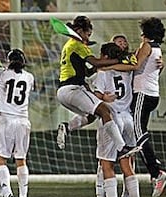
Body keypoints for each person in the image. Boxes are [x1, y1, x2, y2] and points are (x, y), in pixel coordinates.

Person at [55, 15, 140, 161]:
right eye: (87, 34)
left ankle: (68, 127)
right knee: (104, 110)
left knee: (94, 114)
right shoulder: (77, 45)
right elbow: (95, 62)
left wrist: (100, 67)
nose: (88, 38)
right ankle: (121, 148)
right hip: (73, 88)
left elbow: (89, 70)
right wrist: (119, 59)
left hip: (65, 91)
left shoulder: (70, 45)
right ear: (81, 31)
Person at [102, 17, 166, 197]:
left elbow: (135, 66)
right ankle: (153, 171)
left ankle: (156, 173)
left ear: (146, 31)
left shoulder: (147, 46)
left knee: (139, 133)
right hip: (152, 94)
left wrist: (107, 67)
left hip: (143, 95)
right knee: (139, 134)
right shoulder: (156, 48)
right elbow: (150, 68)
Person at [86, 43, 143, 197]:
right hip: (128, 119)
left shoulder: (103, 72)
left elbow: (96, 96)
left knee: (106, 163)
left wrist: (98, 94)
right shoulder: (128, 70)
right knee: (127, 163)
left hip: (111, 119)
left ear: (104, 56)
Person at [0, 49, 34, 197]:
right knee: (21, 160)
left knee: (0, 159)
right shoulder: (29, 77)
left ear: (9, 61)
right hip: (23, 121)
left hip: (6, 120)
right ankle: (23, 196)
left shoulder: (2, 74)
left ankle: (7, 192)